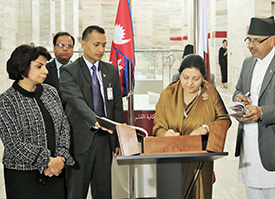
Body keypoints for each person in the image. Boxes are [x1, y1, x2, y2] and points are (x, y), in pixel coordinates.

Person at [0, 44, 74, 199]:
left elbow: (64, 126)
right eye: (39, 66)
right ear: (22, 67)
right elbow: (13, 143)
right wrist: (47, 161)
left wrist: (60, 158)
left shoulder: (51, 92)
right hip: (23, 177)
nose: (45, 71)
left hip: (55, 172)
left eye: (45, 66)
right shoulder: (6, 101)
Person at [153, 54, 231, 199]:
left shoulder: (210, 92)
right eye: (185, 77)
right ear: (179, 75)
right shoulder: (168, 94)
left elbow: (225, 120)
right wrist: (165, 133)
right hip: (171, 159)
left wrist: (206, 128)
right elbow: (157, 126)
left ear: (203, 78)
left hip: (200, 161)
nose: (190, 83)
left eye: (196, 79)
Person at [59, 25, 124, 199]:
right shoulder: (69, 72)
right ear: (83, 44)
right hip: (80, 141)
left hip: (105, 141)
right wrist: (96, 121)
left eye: (104, 45)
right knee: (77, 191)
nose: (101, 49)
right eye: (96, 44)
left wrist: (119, 139)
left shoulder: (110, 71)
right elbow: (77, 102)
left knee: (103, 191)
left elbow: (116, 105)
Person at [233, 16, 275, 199]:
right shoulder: (248, 63)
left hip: (270, 143)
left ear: (272, 40)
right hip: (248, 143)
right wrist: (239, 99)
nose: (251, 45)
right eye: (249, 39)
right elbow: (238, 90)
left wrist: (262, 112)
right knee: (252, 192)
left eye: (257, 40)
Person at [44, 32, 75, 105]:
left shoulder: (79, 70)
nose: (65, 49)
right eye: (61, 45)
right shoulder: (44, 70)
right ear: (54, 48)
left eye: (69, 46)